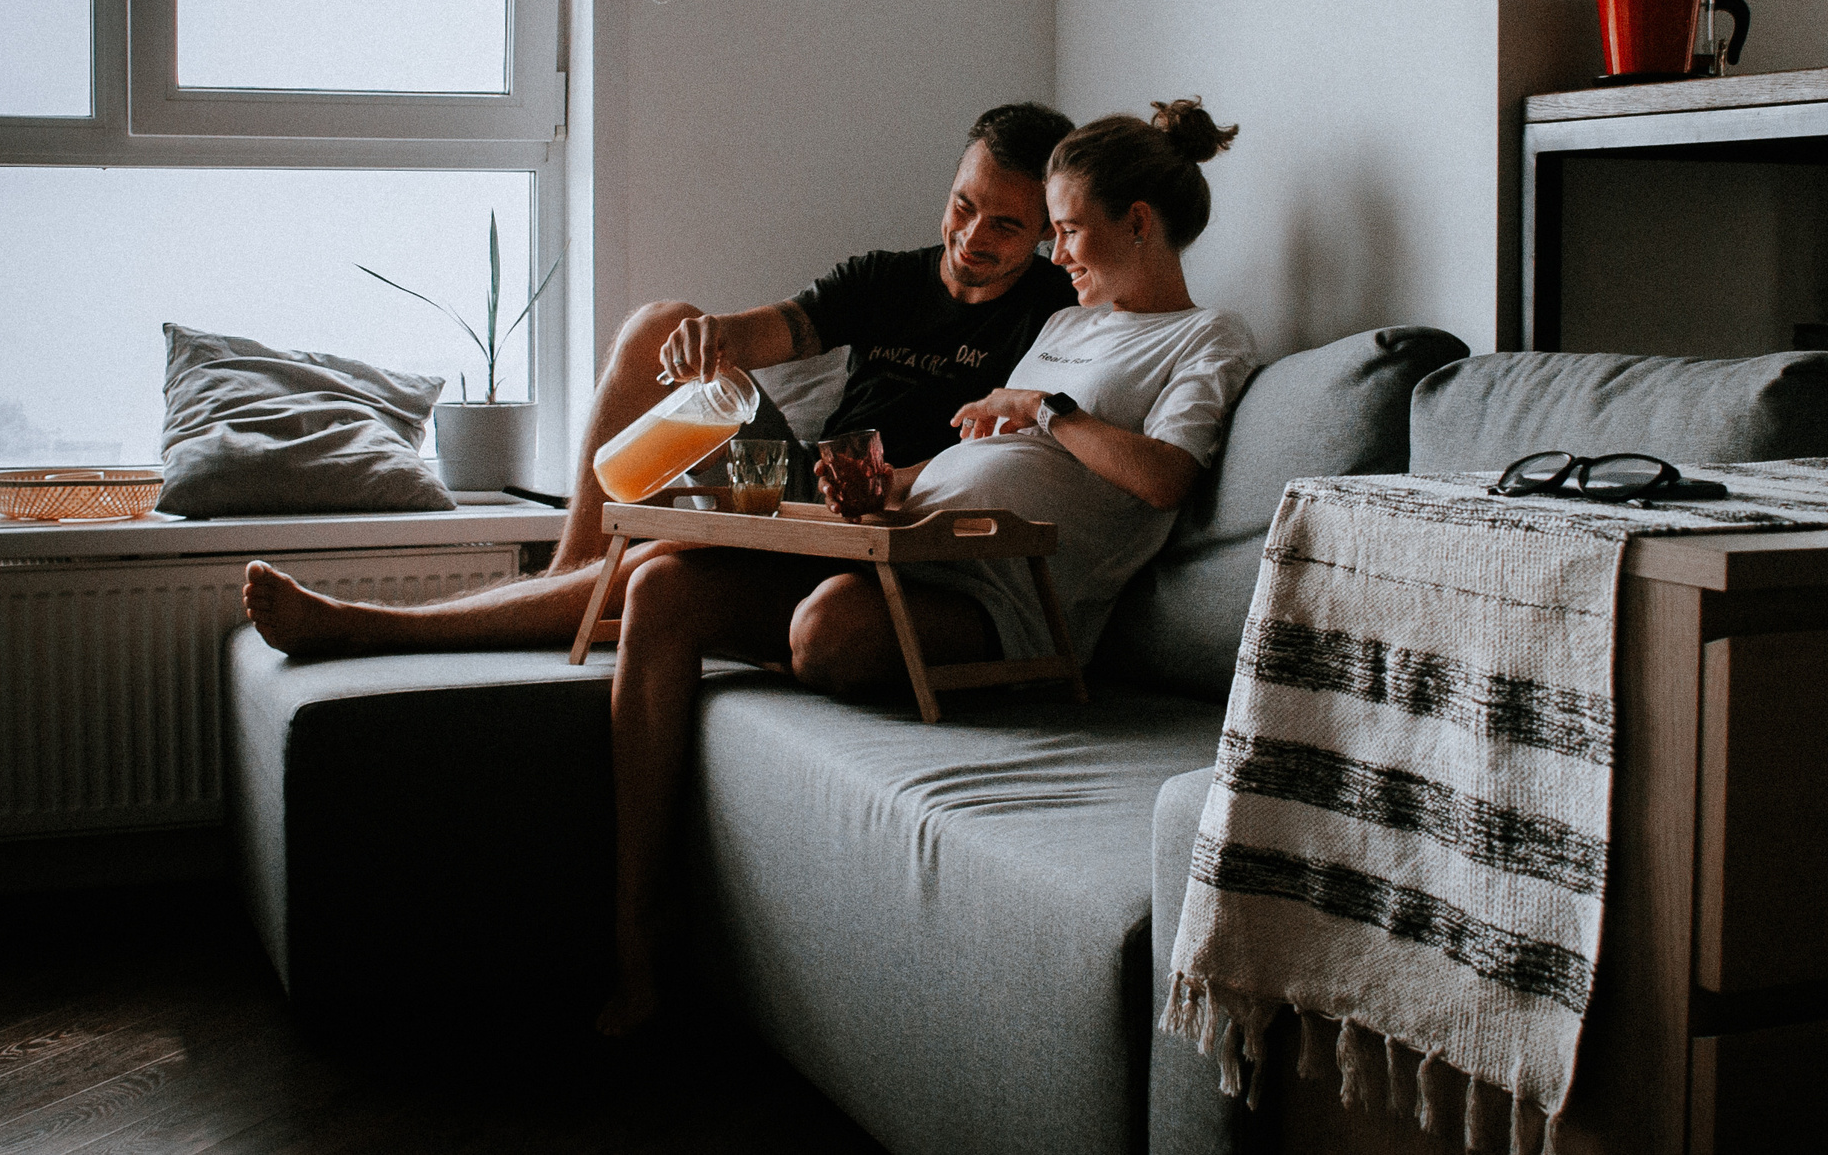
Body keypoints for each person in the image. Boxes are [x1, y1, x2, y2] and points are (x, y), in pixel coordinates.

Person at [598, 99, 1255, 1034]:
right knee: (660, 584)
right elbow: (969, 455)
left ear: (1139, 224)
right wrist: (880, 486)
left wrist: (1046, 410)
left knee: (826, 630)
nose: (1060, 254)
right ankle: (637, 935)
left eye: (1066, 230)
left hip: (1010, 603)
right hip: (907, 546)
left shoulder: (1205, 338)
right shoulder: (1067, 326)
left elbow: (1165, 478)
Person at [237, 101, 1081, 659]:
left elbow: (1019, 446)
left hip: (887, 514)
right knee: (657, 322)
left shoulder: (1053, 313)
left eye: (1005, 225)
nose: (972, 236)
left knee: (667, 556)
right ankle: (572, 564)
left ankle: (373, 629)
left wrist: (900, 483)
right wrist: (712, 339)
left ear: (1047, 230)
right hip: (804, 481)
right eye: (963, 205)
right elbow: (770, 332)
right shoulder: (888, 278)